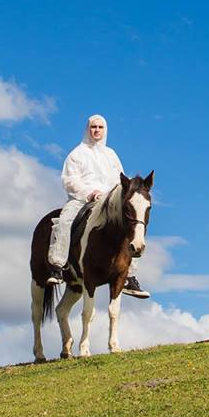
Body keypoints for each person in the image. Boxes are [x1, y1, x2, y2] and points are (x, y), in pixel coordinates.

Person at [47, 114, 150, 299]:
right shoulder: (77, 154)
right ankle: (57, 266)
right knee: (64, 222)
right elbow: (69, 180)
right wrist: (90, 192)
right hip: (82, 199)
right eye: (93, 127)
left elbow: (121, 181)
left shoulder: (111, 155)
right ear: (88, 129)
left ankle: (129, 277)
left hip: (108, 201)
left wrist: (118, 197)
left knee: (129, 226)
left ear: (105, 130)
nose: (96, 131)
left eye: (100, 128)